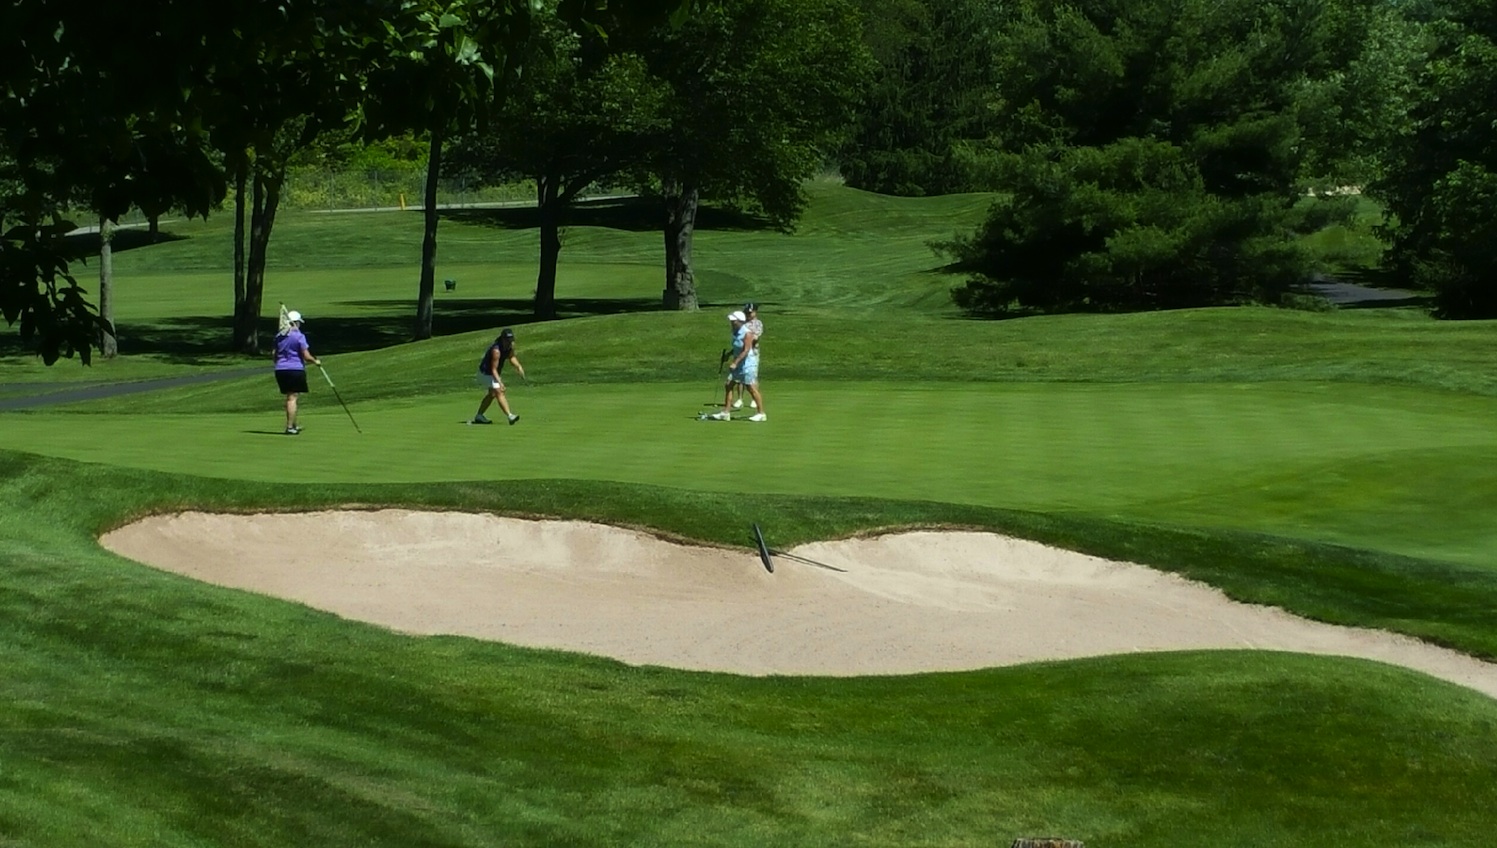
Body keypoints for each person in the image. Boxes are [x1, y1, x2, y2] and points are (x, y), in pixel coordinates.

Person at [708, 311, 765, 421]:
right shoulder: (736, 332)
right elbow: (737, 348)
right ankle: (726, 412)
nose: (731, 322)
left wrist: (735, 362)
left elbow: (746, 350)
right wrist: (729, 355)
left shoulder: (747, 333)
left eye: (733, 321)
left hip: (748, 364)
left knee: (751, 388)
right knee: (729, 385)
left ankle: (761, 413)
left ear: (739, 321)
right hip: (739, 363)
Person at [273, 310, 320, 435]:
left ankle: (293, 424)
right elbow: (306, 356)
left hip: (280, 370)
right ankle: (289, 427)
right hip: (295, 369)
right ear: (296, 323)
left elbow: (274, 354)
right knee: (292, 398)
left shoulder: (279, 336)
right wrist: (315, 361)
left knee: (290, 397)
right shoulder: (299, 336)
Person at [471, 328, 525, 425]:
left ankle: (479, 416)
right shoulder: (496, 351)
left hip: (492, 373)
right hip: (485, 373)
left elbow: (511, 357)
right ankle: (510, 416)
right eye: (507, 340)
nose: (509, 342)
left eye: (511, 340)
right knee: (499, 391)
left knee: (492, 394)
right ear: (502, 339)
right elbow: (493, 369)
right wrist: (500, 382)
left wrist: (518, 366)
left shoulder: (509, 346)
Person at [732, 301, 764, 410]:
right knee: (739, 377)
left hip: (752, 353)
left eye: (750, 313)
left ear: (755, 312)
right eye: (747, 313)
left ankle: (754, 399)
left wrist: (747, 337)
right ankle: (739, 399)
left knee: (752, 376)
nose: (748, 315)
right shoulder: (742, 322)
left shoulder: (758, 323)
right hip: (740, 352)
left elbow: (755, 338)